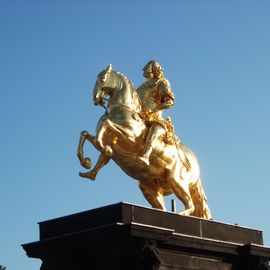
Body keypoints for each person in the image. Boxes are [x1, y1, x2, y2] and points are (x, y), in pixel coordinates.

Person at [136, 60, 175, 165]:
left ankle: (146, 155)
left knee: (155, 130)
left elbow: (169, 102)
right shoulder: (142, 86)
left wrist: (152, 111)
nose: (147, 75)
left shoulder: (162, 82)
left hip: (154, 117)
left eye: (149, 72)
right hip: (139, 115)